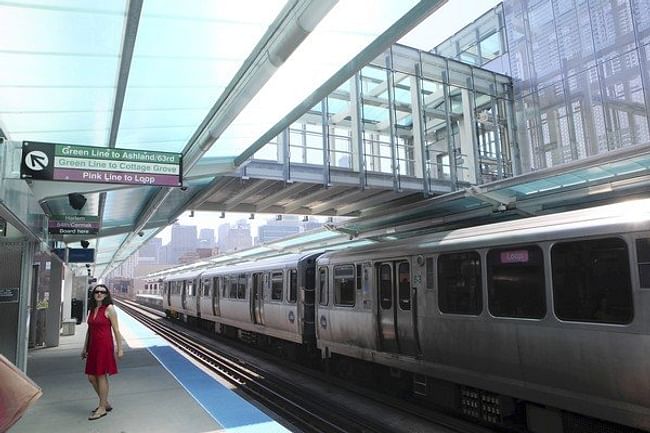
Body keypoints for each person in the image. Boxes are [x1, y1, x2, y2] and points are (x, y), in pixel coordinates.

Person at [81, 284, 123, 421]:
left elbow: (116, 330)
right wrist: (84, 347)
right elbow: (90, 330)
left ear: (106, 295)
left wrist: (120, 348)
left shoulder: (109, 309)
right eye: (97, 292)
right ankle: (105, 402)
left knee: (100, 375)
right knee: (91, 377)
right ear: (93, 294)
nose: (99, 294)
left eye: (102, 292)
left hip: (104, 346)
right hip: (93, 346)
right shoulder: (93, 309)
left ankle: (102, 407)